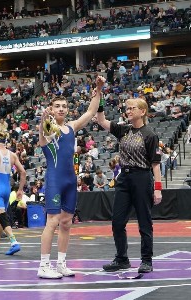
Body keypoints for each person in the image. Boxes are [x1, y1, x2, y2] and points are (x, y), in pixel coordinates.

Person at [37, 75, 106, 279]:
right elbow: (46, 131)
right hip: (55, 180)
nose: (60, 109)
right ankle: (43, 266)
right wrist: (44, 118)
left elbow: (91, 111)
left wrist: (98, 89)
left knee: (66, 222)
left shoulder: (72, 127)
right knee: (53, 221)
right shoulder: (48, 129)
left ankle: (61, 263)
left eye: (63, 106)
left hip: (70, 180)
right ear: (51, 108)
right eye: (56, 106)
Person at [97, 97, 162, 274]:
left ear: (142, 112)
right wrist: (100, 99)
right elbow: (101, 120)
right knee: (117, 221)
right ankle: (121, 259)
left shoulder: (150, 135)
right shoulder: (123, 130)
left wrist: (158, 188)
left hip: (142, 178)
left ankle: (146, 260)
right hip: (123, 179)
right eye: (127, 108)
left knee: (144, 222)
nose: (128, 111)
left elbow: (155, 164)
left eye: (132, 108)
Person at [0, 130, 26, 255]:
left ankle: (14, 242)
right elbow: (23, 172)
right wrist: (20, 189)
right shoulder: (12, 155)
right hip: (7, 189)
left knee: (2, 216)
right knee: (1, 217)